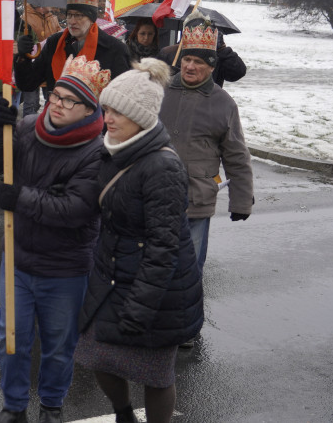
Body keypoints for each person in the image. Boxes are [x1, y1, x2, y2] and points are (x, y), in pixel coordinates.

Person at [0, 56, 111, 423]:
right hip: (18, 258)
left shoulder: (97, 154)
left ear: (88, 109)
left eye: (70, 100)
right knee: (12, 341)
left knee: (58, 346)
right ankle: (14, 406)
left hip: (65, 268)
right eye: (56, 95)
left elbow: (75, 210)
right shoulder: (26, 128)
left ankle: (52, 405)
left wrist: (18, 198)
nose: (58, 104)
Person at [74, 58, 203, 423]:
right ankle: (124, 415)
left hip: (159, 291)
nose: (108, 118)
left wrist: (141, 307)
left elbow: (164, 247)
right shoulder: (112, 149)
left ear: (142, 119)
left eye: (118, 112)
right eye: (107, 109)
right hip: (113, 275)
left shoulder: (162, 167)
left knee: (155, 374)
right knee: (97, 355)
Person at [158, 22, 253, 277]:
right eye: (187, 59)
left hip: (196, 200)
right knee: (152, 268)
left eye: (199, 62)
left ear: (212, 67)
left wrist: (241, 200)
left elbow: (236, 156)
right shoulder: (158, 91)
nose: (190, 66)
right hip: (153, 195)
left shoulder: (224, 103)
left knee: (187, 272)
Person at [14, 0, 130, 94]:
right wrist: (23, 57)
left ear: (91, 19)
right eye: (69, 15)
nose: (72, 21)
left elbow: (121, 94)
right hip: (56, 111)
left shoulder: (115, 49)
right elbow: (27, 85)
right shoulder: (54, 44)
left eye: (79, 15)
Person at [158, 16, 246, 87]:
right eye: (187, 60)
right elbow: (157, 80)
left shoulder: (214, 56)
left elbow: (237, 73)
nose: (190, 66)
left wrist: (223, 50)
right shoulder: (168, 53)